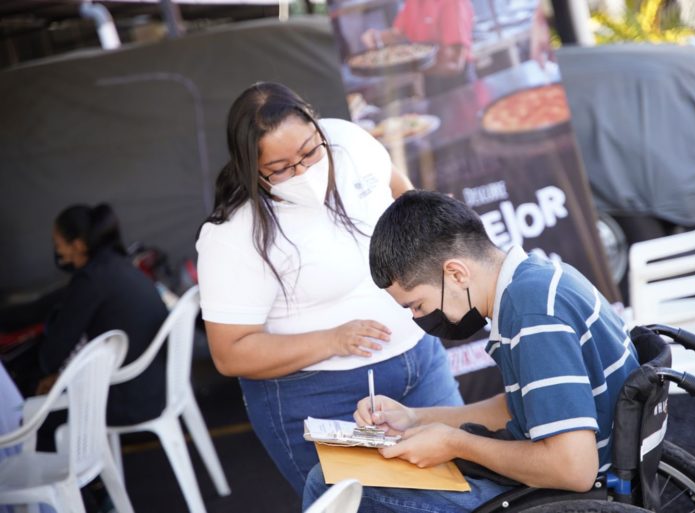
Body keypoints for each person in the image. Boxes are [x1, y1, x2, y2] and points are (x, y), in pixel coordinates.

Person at [195, 82, 463, 495]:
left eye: (309, 151)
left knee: (466, 488)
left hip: (421, 361)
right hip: (320, 396)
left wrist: (424, 236)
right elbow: (230, 352)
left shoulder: (350, 142)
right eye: (280, 168)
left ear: (317, 126)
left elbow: (397, 187)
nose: (302, 172)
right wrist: (333, 339)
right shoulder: (235, 233)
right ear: (252, 167)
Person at [303, 190, 640, 512]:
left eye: (417, 305)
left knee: (331, 481)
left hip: (565, 496)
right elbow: (517, 408)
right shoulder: (536, 278)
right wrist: (414, 418)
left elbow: (573, 470)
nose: (419, 318)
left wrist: (455, 443)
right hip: (577, 475)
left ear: (456, 272)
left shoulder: (532, 314)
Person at [30, 204, 168, 426]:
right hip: (157, 390)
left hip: (127, 403)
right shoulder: (122, 266)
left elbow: (50, 357)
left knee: (33, 407)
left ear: (79, 245)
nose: (58, 253)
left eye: (59, 245)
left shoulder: (90, 280)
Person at [361, 0, 475, 96]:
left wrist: (407, 66)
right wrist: (375, 37)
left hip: (458, 85)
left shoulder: (453, 3)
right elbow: (397, 32)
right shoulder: (413, 2)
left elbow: (455, 64)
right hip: (429, 80)